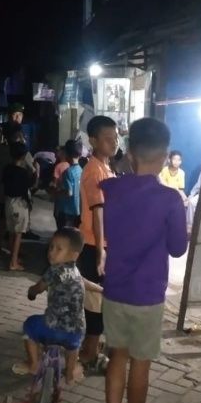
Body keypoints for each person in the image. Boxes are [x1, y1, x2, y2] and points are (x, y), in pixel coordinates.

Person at [100, 118, 188, 403]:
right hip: (147, 296)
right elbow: (178, 248)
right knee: (140, 363)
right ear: (165, 156)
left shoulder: (111, 190)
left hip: (114, 291)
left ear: (131, 153)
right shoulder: (170, 199)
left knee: (117, 358)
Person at [15, 227, 103, 384]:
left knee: (29, 325)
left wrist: (31, 292)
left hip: (52, 327)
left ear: (74, 254)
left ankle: (33, 364)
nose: (52, 252)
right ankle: (69, 374)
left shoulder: (54, 270)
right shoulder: (76, 272)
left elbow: (39, 288)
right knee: (73, 346)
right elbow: (85, 282)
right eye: (51, 247)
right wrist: (102, 290)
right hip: (76, 333)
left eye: (58, 249)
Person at [78, 115, 118, 370]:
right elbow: (98, 212)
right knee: (95, 302)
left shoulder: (106, 168)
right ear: (93, 141)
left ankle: (91, 347)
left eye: (116, 137)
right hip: (95, 245)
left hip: (103, 244)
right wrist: (101, 250)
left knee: (101, 299)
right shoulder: (94, 170)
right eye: (107, 138)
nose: (114, 142)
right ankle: (89, 353)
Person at [1, 141, 35, 271]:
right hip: (19, 203)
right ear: (24, 156)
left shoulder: (7, 169)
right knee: (18, 234)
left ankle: (12, 258)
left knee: (11, 232)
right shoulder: (22, 172)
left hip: (8, 202)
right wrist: (35, 172)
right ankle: (13, 262)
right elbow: (29, 186)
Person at [55, 140, 83, 229]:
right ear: (80, 155)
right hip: (78, 210)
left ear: (66, 154)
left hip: (66, 211)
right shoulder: (81, 171)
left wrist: (56, 192)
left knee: (63, 233)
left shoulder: (68, 172)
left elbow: (69, 192)